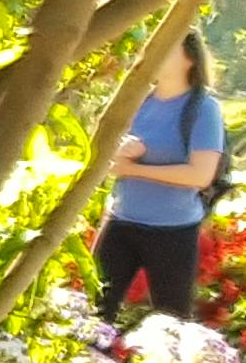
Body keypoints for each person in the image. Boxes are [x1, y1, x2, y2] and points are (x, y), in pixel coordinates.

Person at [98, 28, 232, 321]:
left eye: (165, 48)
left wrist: (133, 169)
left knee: (171, 325)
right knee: (91, 315)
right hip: (120, 223)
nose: (152, 55)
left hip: (173, 232)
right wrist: (122, 151)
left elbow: (200, 175)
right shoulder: (136, 100)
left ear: (189, 60)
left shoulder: (202, 108)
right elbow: (102, 157)